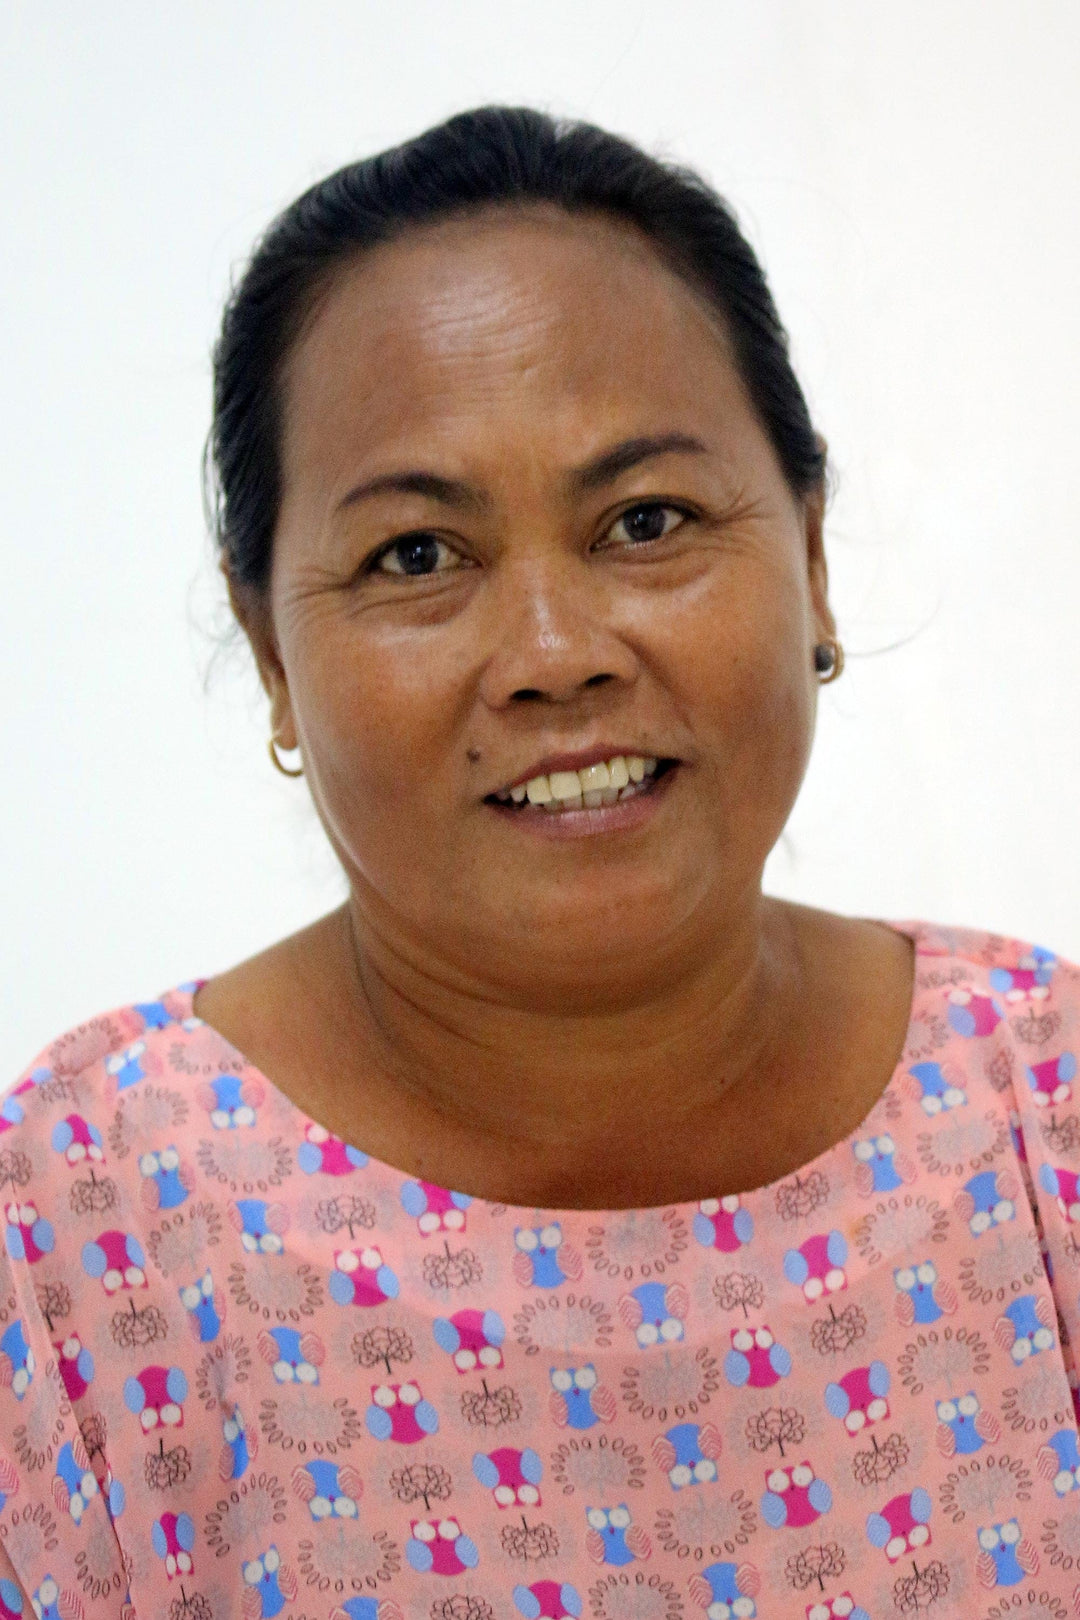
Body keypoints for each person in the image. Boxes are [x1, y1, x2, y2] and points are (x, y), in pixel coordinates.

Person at [4, 105, 1079, 1620]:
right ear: (269, 656)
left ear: (813, 561)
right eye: (417, 557)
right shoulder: (80, 1232)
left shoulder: (1045, 1109)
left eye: (647, 520)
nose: (557, 658)